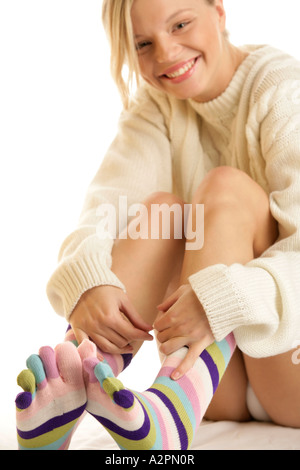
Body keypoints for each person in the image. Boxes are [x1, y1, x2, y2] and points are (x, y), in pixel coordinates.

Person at [15, 0, 300, 451]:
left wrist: (225, 297)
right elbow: (105, 206)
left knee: (224, 188)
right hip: (213, 383)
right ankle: (68, 394)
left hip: (289, 364)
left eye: (181, 24)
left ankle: (169, 413)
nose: (166, 54)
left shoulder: (281, 88)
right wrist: (89, 285)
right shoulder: (157, 107)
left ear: (220, 12)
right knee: (161, 212)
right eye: (143, 44)